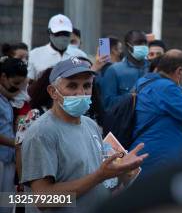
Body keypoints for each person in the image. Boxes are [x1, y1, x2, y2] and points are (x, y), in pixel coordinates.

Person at [20, 58, 148, 212]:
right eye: (72, 85)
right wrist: (99, 176)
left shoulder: (90, 125)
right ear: (53, 92)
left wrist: (121, 171)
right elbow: (43, 199)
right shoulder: (41, 133)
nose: (81, 93)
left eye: (87, 85)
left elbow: (94, 176)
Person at [131, 50, 182, 176]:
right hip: (158, 161)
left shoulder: (145, 81)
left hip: (148, 155)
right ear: (179, 72)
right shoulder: (167, 88)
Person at [99, 30, 149, 110]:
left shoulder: (153, 68)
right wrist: (131, 97)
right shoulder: (113, 70)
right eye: (138, 43)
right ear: (128, 46)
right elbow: (108, 103)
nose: (143, 46)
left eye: (145, 43)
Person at [0, 58, 27, 206]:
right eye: (15, 83)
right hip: (3, 156)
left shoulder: (6, 98)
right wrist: (15, 143)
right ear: (3, 77)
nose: (17, 88)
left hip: (8, 157)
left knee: (6, 204)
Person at [28, 14, 78, 80]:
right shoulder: (34, 55)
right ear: (49, 33)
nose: (62, 36)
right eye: (58, 33)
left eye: (66, 33)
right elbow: (28, 83)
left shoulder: (80, 55)